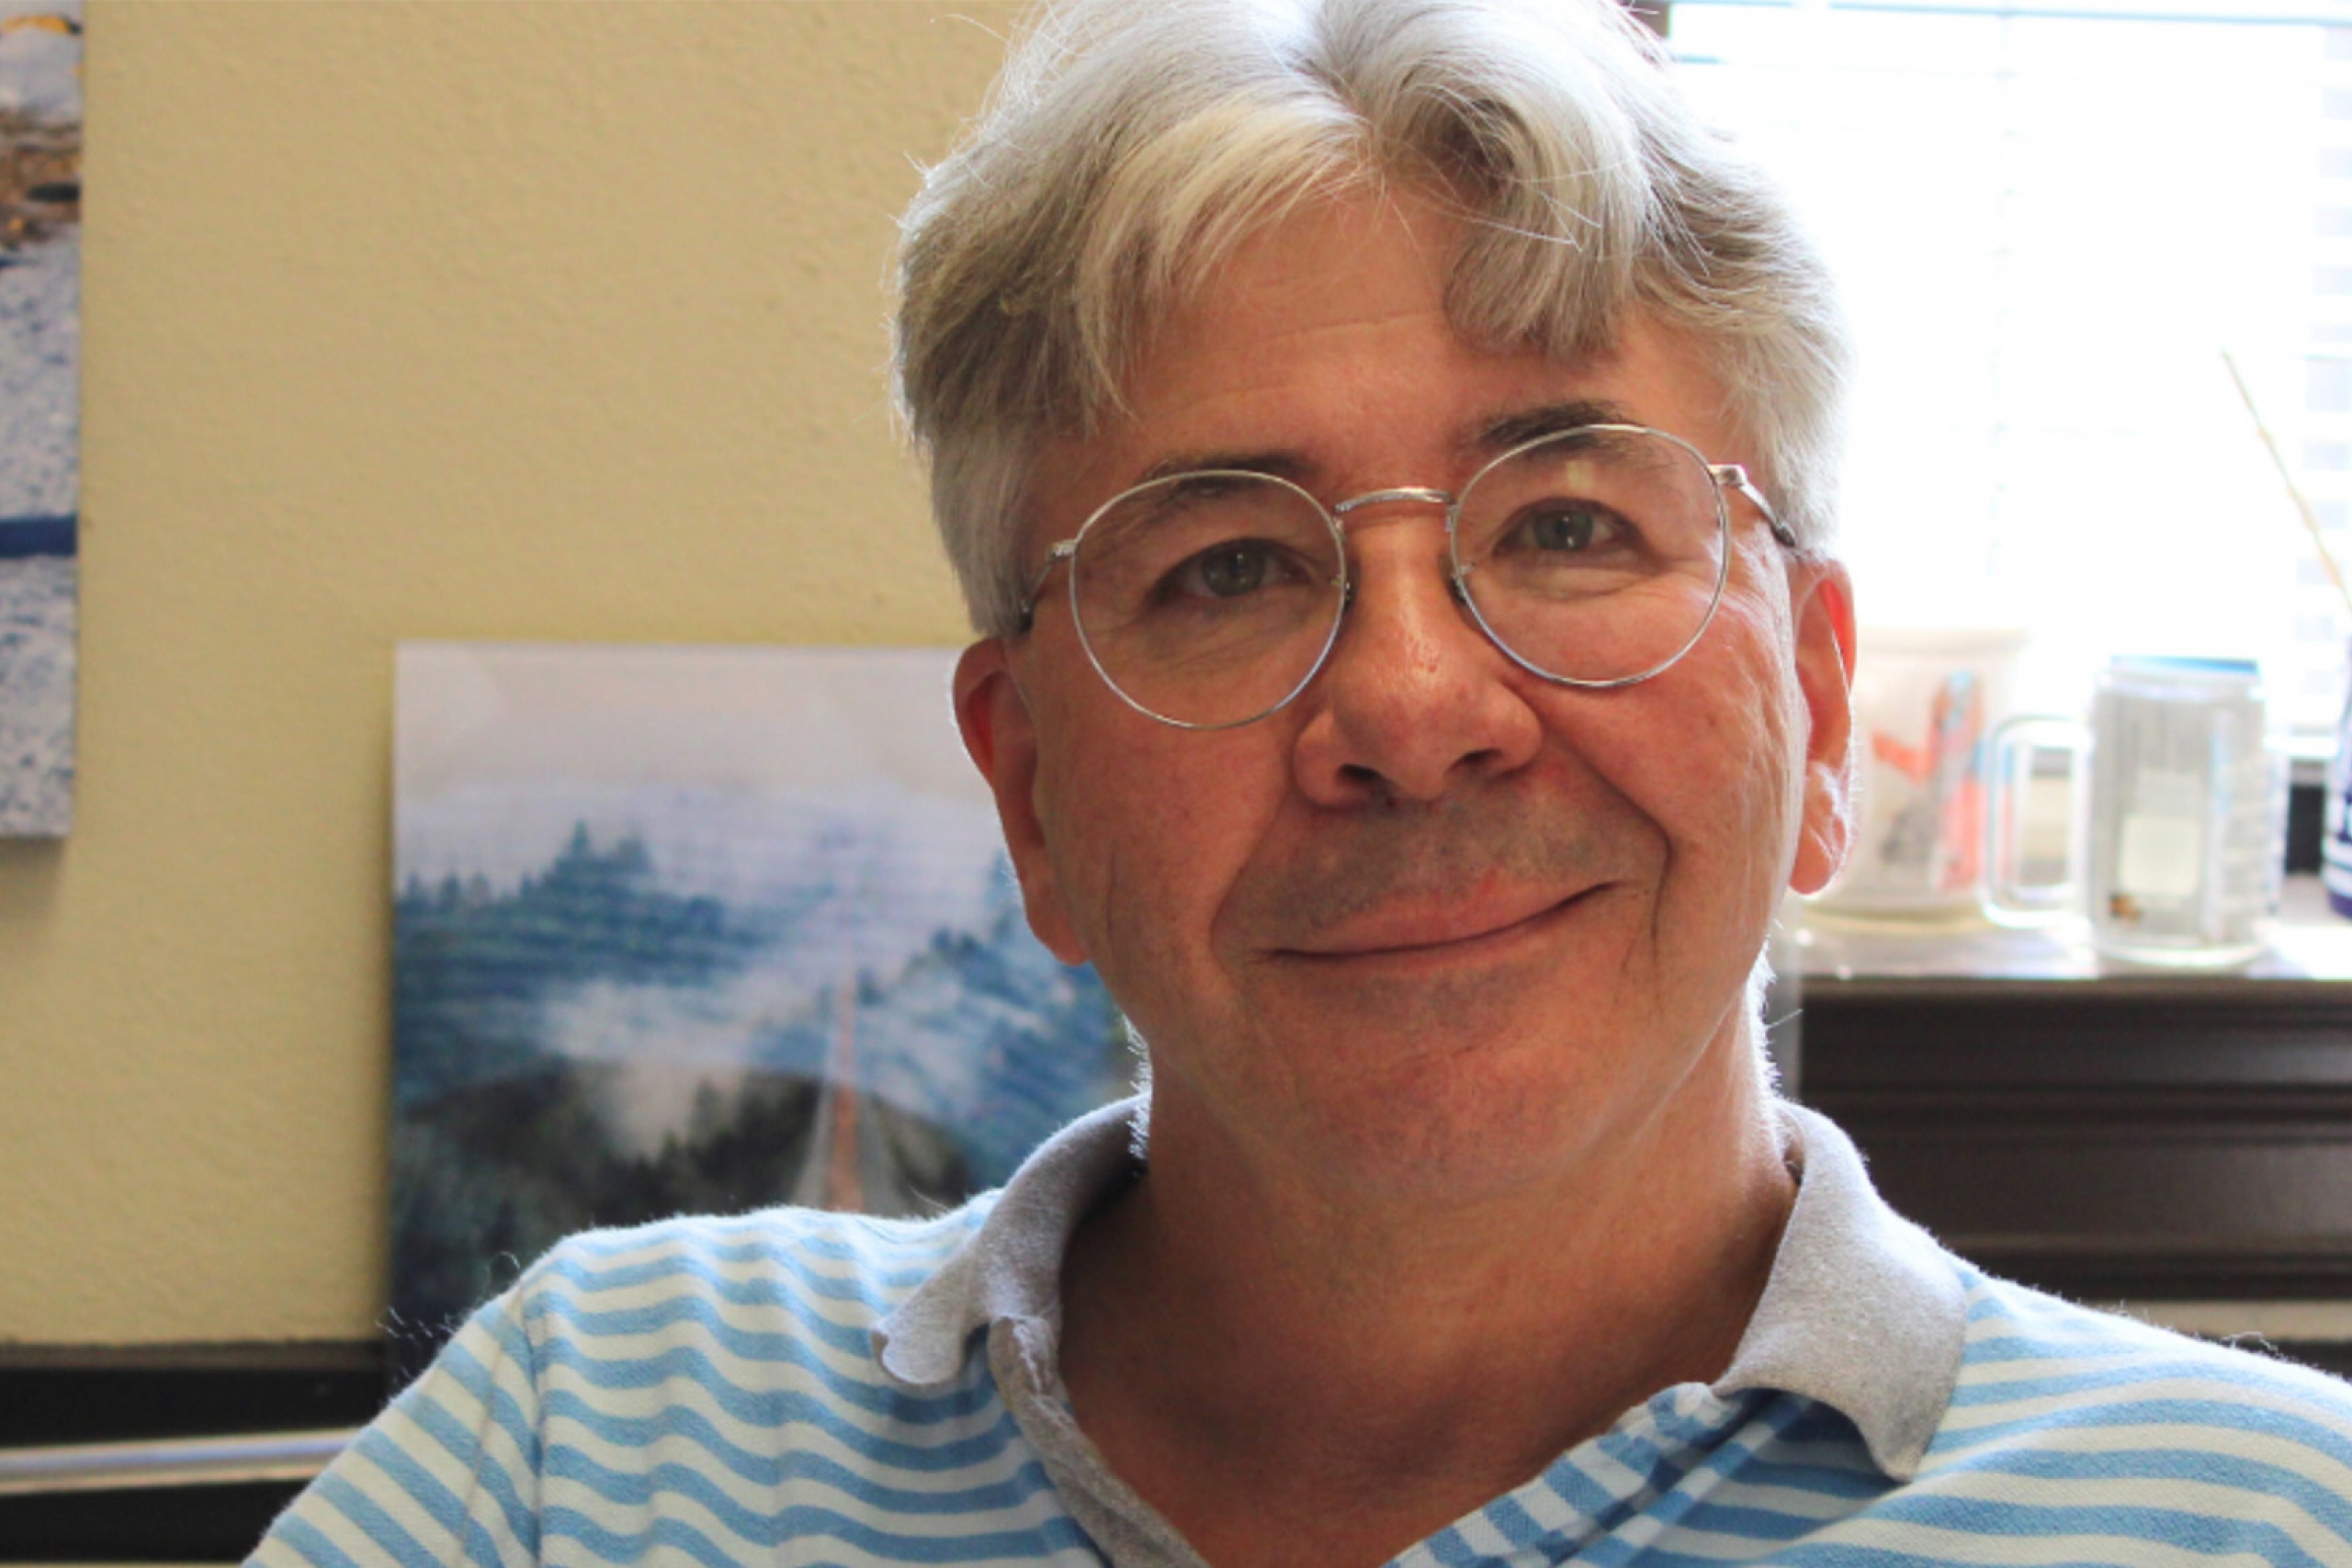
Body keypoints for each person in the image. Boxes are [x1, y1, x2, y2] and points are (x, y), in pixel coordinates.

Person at [252, 1, 2352, 1564]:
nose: (1415, 703)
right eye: (1226, 567)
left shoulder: (2254, 1524)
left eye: (1566, 526)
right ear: (1034, 800)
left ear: (1809, 698)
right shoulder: (587, 1439)